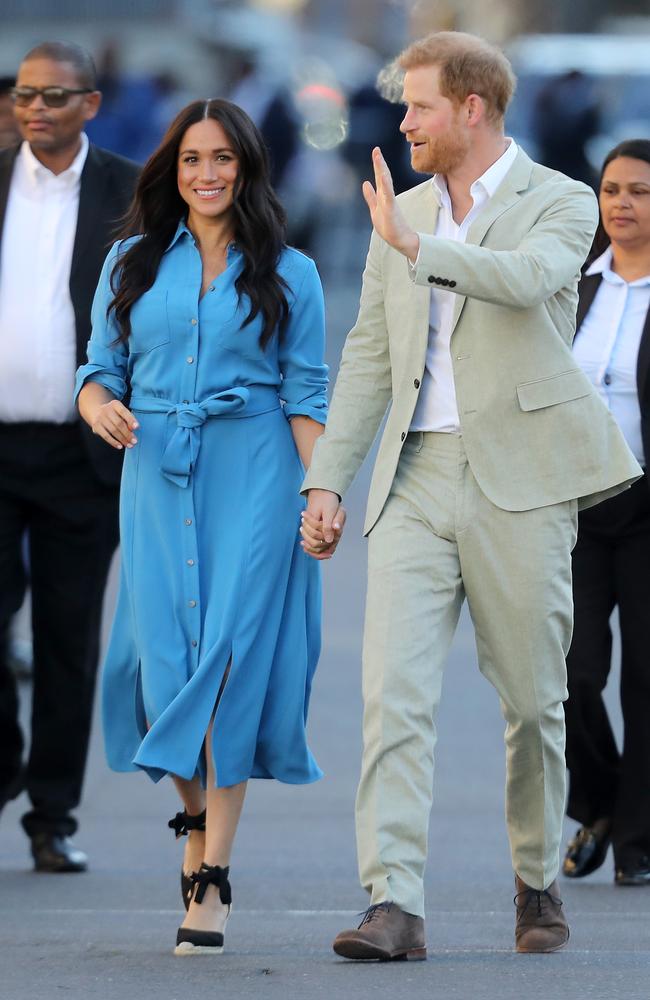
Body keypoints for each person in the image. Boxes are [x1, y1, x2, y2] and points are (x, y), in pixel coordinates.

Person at [300, 31, 641, 960]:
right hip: (413, 479)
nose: (401, 120)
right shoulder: (398, 212)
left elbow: (530, 283)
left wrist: (422, 249)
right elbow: (370, 353)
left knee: (535, 703)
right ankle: (393, 902)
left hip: (522, 482)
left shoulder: (563, 201)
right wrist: (329, 478)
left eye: (418, 107)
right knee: (392, 698)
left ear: (472, 109)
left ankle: (537, 881)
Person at [75, 97, 331, 955]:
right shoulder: (130, 261)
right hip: (155, 475)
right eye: (192, 160)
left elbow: (306, 393)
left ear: (248, 168)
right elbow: (98, 367)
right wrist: (97, 402)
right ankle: (194, 829)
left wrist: (321, 492)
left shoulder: (291, 271)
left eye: (223, 159)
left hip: (257, 474)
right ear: (172, 170)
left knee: (229, 662)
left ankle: (211, 880)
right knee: (164, 667)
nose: (207, 174)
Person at [0, 42, 139, 871]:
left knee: (67, 639)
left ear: (90, 104)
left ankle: (52, 816)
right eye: (24, 95)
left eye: (54, 96)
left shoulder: (128, 192)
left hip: (82, 455)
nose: (35, 108)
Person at [562, 139, 650, 888]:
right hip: (576, 506)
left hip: (649, 506)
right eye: (612, 190)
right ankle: (602, 803)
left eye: (641, 192)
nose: (622, 204)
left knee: (646, 680)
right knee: (570, 674)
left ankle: (636, 841)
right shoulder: (573, 285)